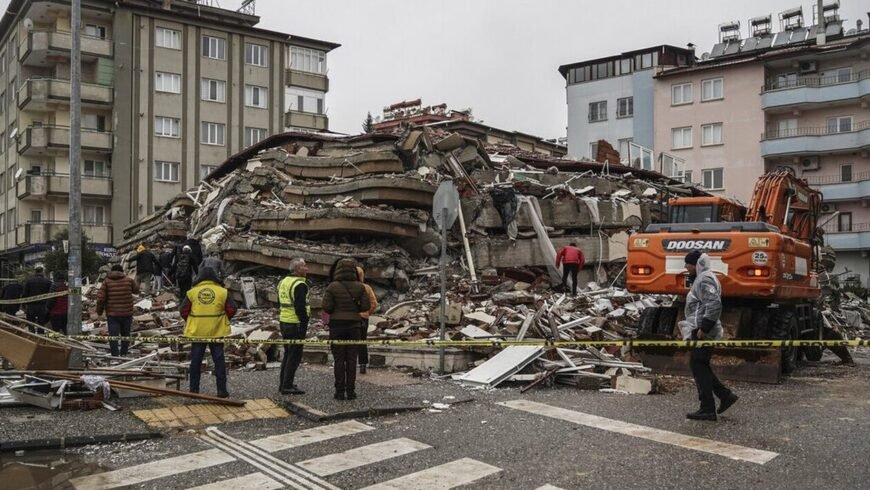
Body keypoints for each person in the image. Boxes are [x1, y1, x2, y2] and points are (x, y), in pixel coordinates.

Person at [681, 250, 738, 421]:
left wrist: (703, 328)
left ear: (697, 264)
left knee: (698, 365)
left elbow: (713, 304)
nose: (686, 267)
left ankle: (708, 408)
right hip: (701, 329)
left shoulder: (704, 279)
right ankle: (725, 396)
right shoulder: (703, 278)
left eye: (688, 264)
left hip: (704, 331)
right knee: (700, 364)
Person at [180, 267, 236, 398]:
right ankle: (221, 390)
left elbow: (183, 311)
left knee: (196, 362)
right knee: (219, 361)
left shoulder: (192, 292)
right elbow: (232, 309)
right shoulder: (223, 292)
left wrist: (193, 320)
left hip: (197, 331)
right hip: (217, 331)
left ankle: (194, 390)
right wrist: (224, 318)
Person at [322, 258, 370, 400]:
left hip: (337, 326)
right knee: (351, 359)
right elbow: (365, 307)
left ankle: (339, 391)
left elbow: (327, 307)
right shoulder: (360, 287)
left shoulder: (332, 287)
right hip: (354, 326)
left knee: (339, 359)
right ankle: (351, 391)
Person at [277, 258, 310, 395]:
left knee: (288, 354)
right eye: (304, 266)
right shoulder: (299, 284)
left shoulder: (283, 282)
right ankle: (287, 385)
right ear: (297, 269)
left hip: (284, 321)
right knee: (294, 355)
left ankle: (284, 383)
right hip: (295, 323)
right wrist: (304, 322)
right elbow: (300, 307)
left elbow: (279, 301)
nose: (307, 268)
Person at [97, 265, 139, 357]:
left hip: (113, 314)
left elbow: (100, 299)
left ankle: (115, 355)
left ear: (111, 271)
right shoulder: (129, 280)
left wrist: (99, 312)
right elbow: (136, 291)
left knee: (113, 336)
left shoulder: (106, 282)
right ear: (122, 271)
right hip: (127, 313)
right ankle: (124, 354)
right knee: (125, 335)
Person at [356, 266, 378, 375]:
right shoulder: (366, 288)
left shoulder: (345, 287)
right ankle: (362, 364)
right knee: (362, 341)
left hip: (349, 318)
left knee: (347, 341)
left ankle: (347, 363)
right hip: (363, 318)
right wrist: (367, 313)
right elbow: (374, 303)